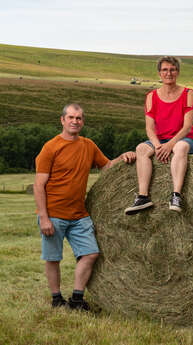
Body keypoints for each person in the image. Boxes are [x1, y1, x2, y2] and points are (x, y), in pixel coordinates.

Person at [34, 103, 136, 310]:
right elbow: (38, 185)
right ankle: (56, 299)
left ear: (83, 122)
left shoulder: (88, 145)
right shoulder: (50, 147)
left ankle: (77, 299)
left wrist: (125, 157)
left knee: (91, 254)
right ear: (62, 120)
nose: (75, 121)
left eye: (79, 118)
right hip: (54, 213)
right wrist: (44, 217)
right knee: (53, 258)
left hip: (80, 214)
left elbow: (106, 166)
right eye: (71, 117)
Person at [124, 56, 193, 215]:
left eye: (172, 69)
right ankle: (143, 196)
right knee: (141, 149)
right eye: (165, 70)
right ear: (159, 73)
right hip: (159, 140)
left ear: (178, 72)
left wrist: (170, 145)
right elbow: (150, 128)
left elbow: (187, 127)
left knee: (180, 147)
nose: (169, 73)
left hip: (183, 139)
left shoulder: (188, 94)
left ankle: (176, 195)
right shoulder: (151, 96)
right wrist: (158, 146)